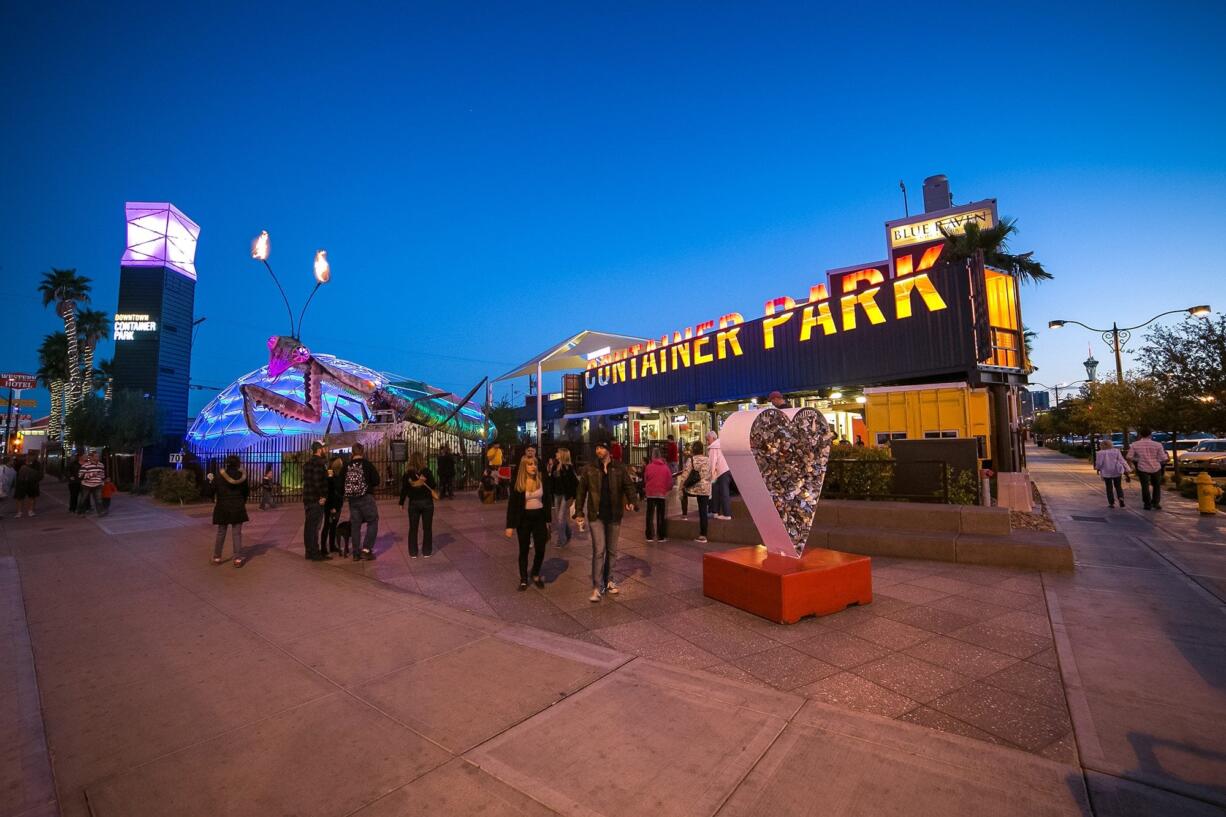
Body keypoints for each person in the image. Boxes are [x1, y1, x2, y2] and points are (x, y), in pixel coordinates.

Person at [573, 440, 637, 603]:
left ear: (608, 450)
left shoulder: (619, 468)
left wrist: (632, 501)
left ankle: (608, 580)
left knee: (612, 551)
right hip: (596, 515)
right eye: (597, 448)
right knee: (599, 550)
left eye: (601, 447)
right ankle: (597, 585)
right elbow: (580, 492)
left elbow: (629, 486)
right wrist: (579, 512)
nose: (598, 450)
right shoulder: (589, 469)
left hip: (614, 515)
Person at [505, 456, 552, 590]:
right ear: (524, 467)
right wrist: (509, 526)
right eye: (530, 464)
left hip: (540, 518)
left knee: (541, 548)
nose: (533, 467)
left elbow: (547, 501)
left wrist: (548, 521)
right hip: (524, 519)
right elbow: (512, 505)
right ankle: (524, 579)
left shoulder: (541, 480)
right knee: (524, 549)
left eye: (535, 464)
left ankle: (535, 573)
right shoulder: (518, 483)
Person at [206, 455, 249, 567]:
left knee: (221, 532)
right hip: (238, 506)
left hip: (223, 507)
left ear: (227, 463)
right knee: (237, 534)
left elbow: (211, 491)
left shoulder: (220, 476)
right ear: (238, 464)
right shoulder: (242, 476)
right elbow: (246, 492)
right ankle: (237, 559)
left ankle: (217, 557)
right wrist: (242, 501)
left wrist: (210, 483)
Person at [344, 442, 381, 560]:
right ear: (362, 451)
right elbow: (376, 480)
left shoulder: (347, 465)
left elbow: (340, 483)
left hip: (352, 500)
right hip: (366, 498)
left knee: (355, 525)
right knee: (373, 521)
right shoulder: (367, 464)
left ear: (352, 452)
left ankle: (355, 553)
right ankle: (366, 549)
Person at [399, 451, 437, 558]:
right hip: (427, 502)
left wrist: (401, 502)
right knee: (427, 528)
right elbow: (433, 485)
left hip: (414, 503)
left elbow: (404, 490)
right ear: (422, 460)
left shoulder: (407, 474)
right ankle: (427, 551)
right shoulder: (427, 472)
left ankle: (413, 552)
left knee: (413, 528)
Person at [1127, 428, 1169, 511]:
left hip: (1142, 467)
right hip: (1156, 467)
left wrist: (1137, 460)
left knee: (1145, 486)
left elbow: (1129, 456)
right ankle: (1156, 503)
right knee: (1156, 486)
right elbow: (1163, 458)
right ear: (1150, 434)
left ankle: (1147, 504)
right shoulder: (1157, 445)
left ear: (1141, 435)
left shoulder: (1135, 444)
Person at [301, 441, 330, 561]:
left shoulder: (307, 463)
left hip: (307, 498)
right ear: (319, 449)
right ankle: (314, 552)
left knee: (309, 526)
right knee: (314, 527)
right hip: (316, 500)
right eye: (324, 448)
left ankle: (309, 551)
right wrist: (322, 496)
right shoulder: (319, 463)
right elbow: (317, 482)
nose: (325, 450)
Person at [546, 447, 578, 546]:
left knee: (560, 518)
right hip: (556, 495)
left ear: (563, 455)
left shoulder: (568, 468)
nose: (556, 454)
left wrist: (574, 497)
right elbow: (551, 481)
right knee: (560, 518)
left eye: (558, 453)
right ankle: (568, 533)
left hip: (565, 495)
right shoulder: (555, 466)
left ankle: (561, 540)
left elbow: (575, 483)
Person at [682, 441, 712, 542]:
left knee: (685, 495)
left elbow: (686, 474)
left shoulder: (691, 459)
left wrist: (682, 486)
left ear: (693, 450)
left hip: (695, 488)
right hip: (706, 488)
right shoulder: (708, 460)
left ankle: (684, 514)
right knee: (703, 511)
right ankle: (703, 535)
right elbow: (712, 472)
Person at [643, 449, 672, 542]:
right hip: (661, 493)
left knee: (649, 514)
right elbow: (670, 482)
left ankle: (649, 535)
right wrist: (666, 489)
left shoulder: (648, 467)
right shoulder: (665, 468)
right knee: (661, 514)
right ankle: (661, 536)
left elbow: (645, 479)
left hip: (650, 493)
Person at [1094, 440, 1129, 509]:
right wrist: (1127, 469)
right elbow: (1122, 460)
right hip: (1116, 471)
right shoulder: (1116, 451)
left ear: (1102, 445)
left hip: (1106, 471)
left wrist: (1097, 468)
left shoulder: (1100, 453)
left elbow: (1099, 463)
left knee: (1109, 487)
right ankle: (1121, 498)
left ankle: (1111, 503)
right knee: (1118, 486)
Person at [322, 456, 346, 555]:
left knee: (333, 526)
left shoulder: (338, 475)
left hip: (337, 504)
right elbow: (330, 492)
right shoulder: (330, 475)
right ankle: (323, 548)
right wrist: (332, 507)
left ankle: (332, 546)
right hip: (331, 505)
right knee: (327, 525)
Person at [707, 430, 731, 520]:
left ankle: (727, 514)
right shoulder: (721, 444)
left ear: (712, 438)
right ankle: (715, 512)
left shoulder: (714, 447)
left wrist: (710, 475)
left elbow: (712, 463)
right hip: (727, 469)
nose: (707, 442)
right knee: (717, 491)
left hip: (721, 471)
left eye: (707, 439)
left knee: (723, 492)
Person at [78, 452, 106, 517]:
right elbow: (80, 476)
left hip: (98, 484)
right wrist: (92, 474)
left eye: (98, 456)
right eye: (96, 456)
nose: (98, 458)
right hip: (87, 485)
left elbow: (102, 474)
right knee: (84, 499)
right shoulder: (85, 465)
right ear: (92, 457)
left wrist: (102, 481)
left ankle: (100, 512)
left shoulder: (101, 465)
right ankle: (81, 512)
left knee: (98, 499)